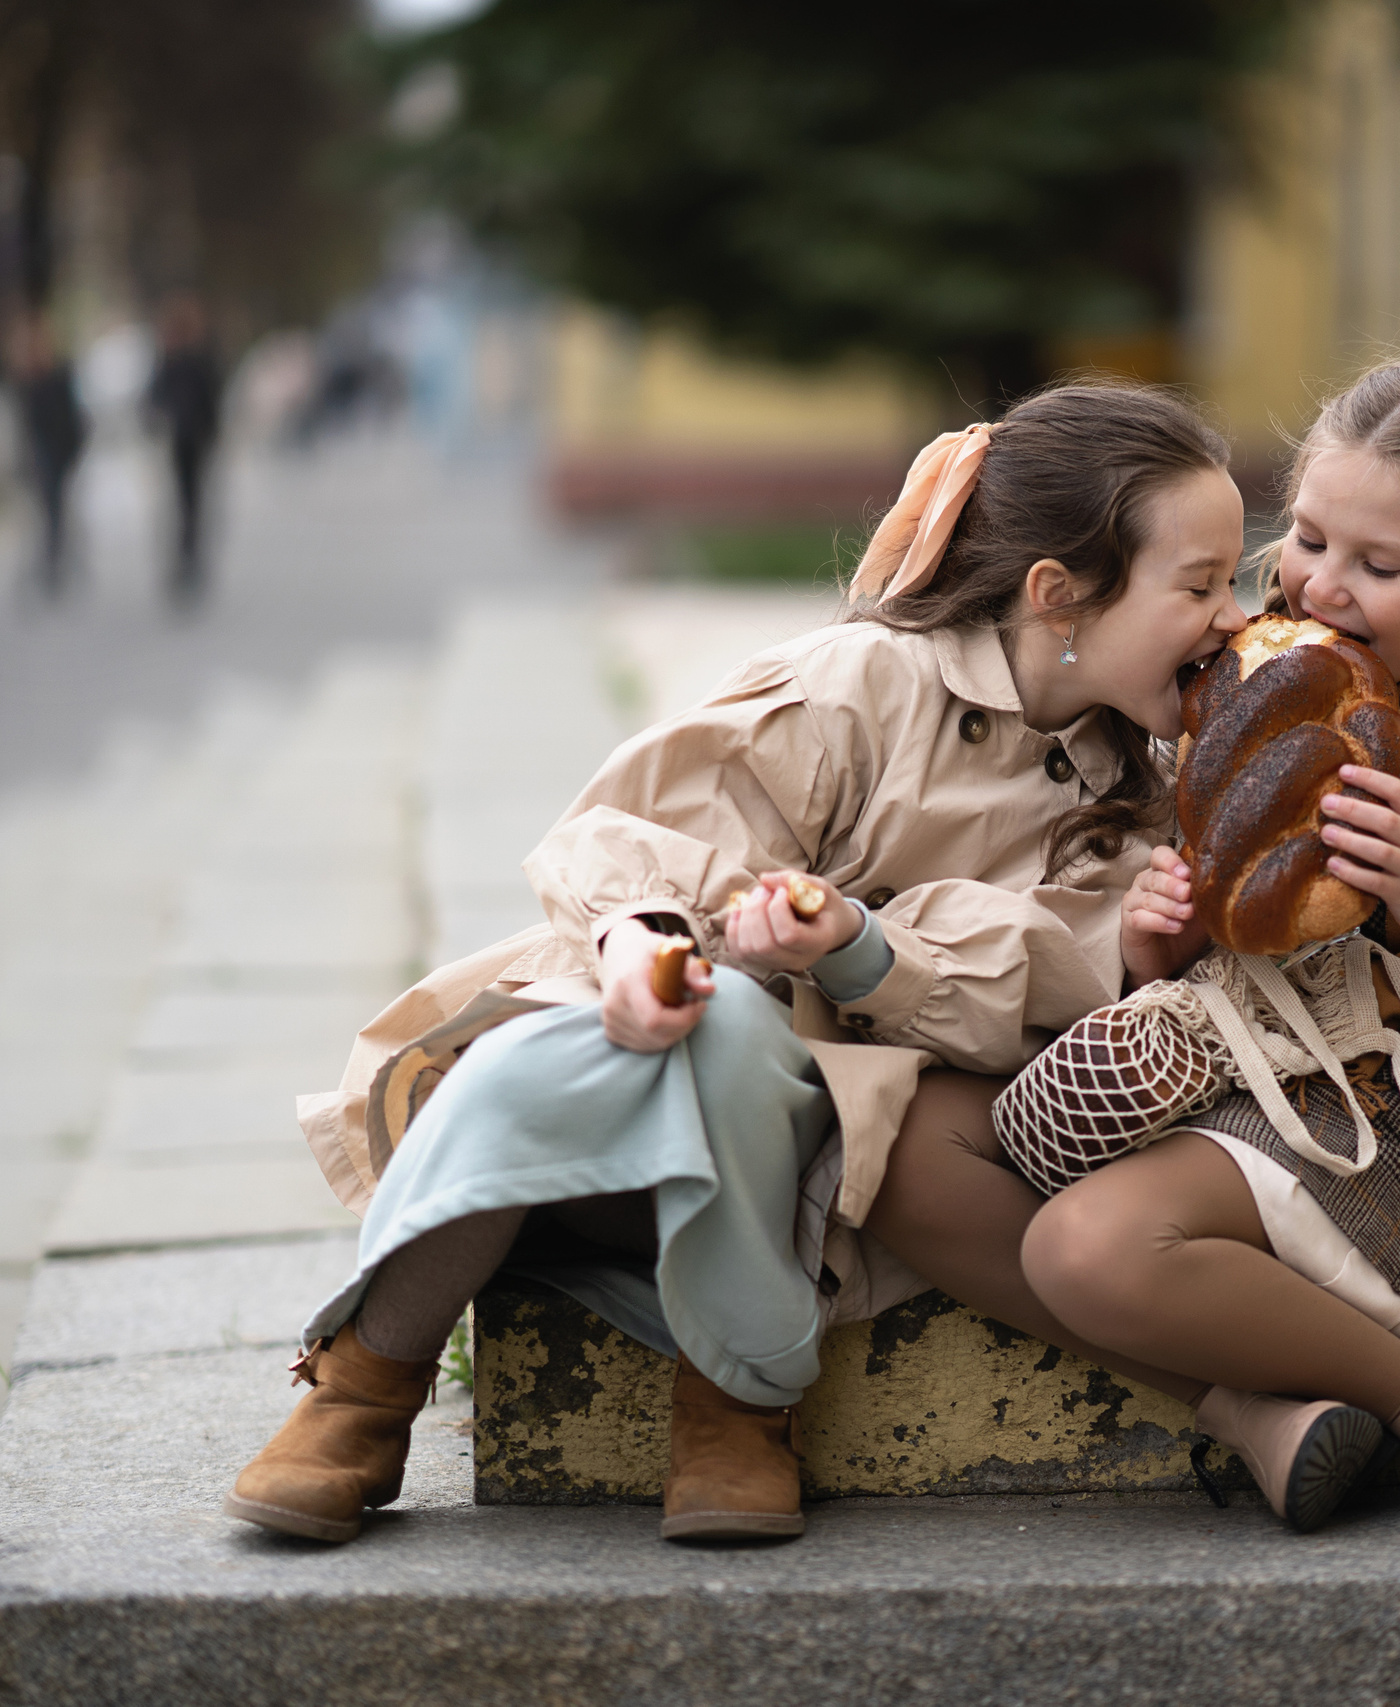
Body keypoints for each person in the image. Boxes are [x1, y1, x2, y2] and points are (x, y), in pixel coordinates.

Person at [227, 383, 1250, 1547]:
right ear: (1060, 596)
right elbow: (631, 832)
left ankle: (709, 1397)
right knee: (612, 1036)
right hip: (610, 1127)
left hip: (821, 1173)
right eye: (1201, 583)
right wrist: (641, 950)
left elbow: (1033, 996)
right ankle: (373, 1385)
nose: (1231, 617)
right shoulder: (865, 681)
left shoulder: (1143, 800)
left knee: (735, 1043)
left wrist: (859, 949)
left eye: (1233, 582)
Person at [867, 357, 1400, 1536]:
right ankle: (1256, 1414)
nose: (1322, 587)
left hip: (1378, 1145)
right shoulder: (1242, 688)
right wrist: (1155, 947)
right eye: (1305, 538)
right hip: (1209, 1082)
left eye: (1380, 567)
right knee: (890, 1139)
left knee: (1090, 1251)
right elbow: (1200, 969)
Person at [144, 291, 223, 604]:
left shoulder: (197, 358)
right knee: (186, 503)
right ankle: (185, 560)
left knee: (190, 504)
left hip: (194, 440)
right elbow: (155, 398)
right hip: (182, 440)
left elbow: (210, 398)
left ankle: (189, 559)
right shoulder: (172, 359)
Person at [9, 310, 85, 597]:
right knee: (48, 510)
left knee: (57, 509)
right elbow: (25, 425)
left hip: (61, 450)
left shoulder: (60, 374)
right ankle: (51, 559)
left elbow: (72, 417)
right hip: (40, 455)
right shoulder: (26, 381)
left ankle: (57, 558)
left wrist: (74, 449)